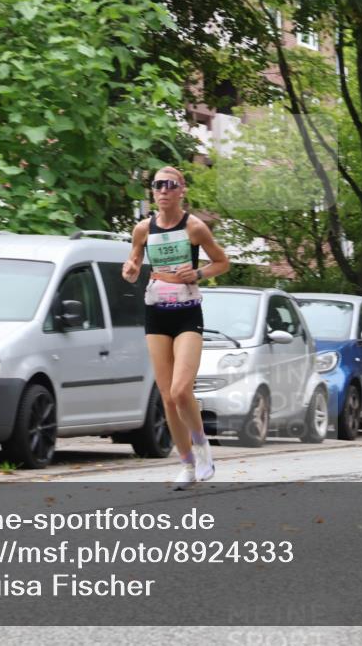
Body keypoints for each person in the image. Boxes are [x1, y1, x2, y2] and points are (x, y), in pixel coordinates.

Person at [122, 166, 230, 489]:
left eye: (170, 185)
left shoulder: (194, 228)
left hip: (186, 312)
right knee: (167, 397)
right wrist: (130, 269)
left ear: (182, 190)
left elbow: (222, 262)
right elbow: (134, 261)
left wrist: (197, 274)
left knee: (181, 390)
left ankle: (202, 447)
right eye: (158, 185)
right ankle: (186, 464)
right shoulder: (143, 228)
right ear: (153, 192)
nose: (163, 190)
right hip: (156, 312)